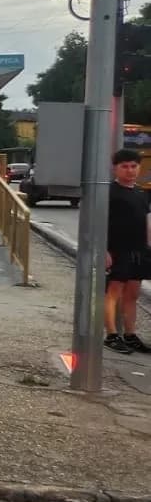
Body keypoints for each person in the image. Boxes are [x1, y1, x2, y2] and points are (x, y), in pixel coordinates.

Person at [105, 149, 151, 354]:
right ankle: (112, 335)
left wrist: (148, 247)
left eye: (133, 166)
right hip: (117, 250)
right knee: (113, 292)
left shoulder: (141, 193)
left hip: (139, 250)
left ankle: (130, 335)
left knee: (132, 294)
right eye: (124, 166)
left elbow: (146, 223)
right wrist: (104, 250)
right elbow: (99, 223)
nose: (130, 170)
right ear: (115, 168)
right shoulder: (109, 193)